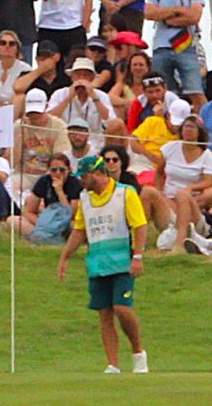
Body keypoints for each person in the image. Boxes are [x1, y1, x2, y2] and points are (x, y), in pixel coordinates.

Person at [57, 153, 148, 373]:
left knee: (121, 308)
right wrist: (65, 256)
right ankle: (113, 364)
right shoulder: (85, 199)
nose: (81, 181)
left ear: (97, 173)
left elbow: (140, 225)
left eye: (84, 176)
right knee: (104, 313)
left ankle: (138, 353)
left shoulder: (125, 193)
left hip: (122, 262)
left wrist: (137, 256)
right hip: (97, 263)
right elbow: (80, 231)